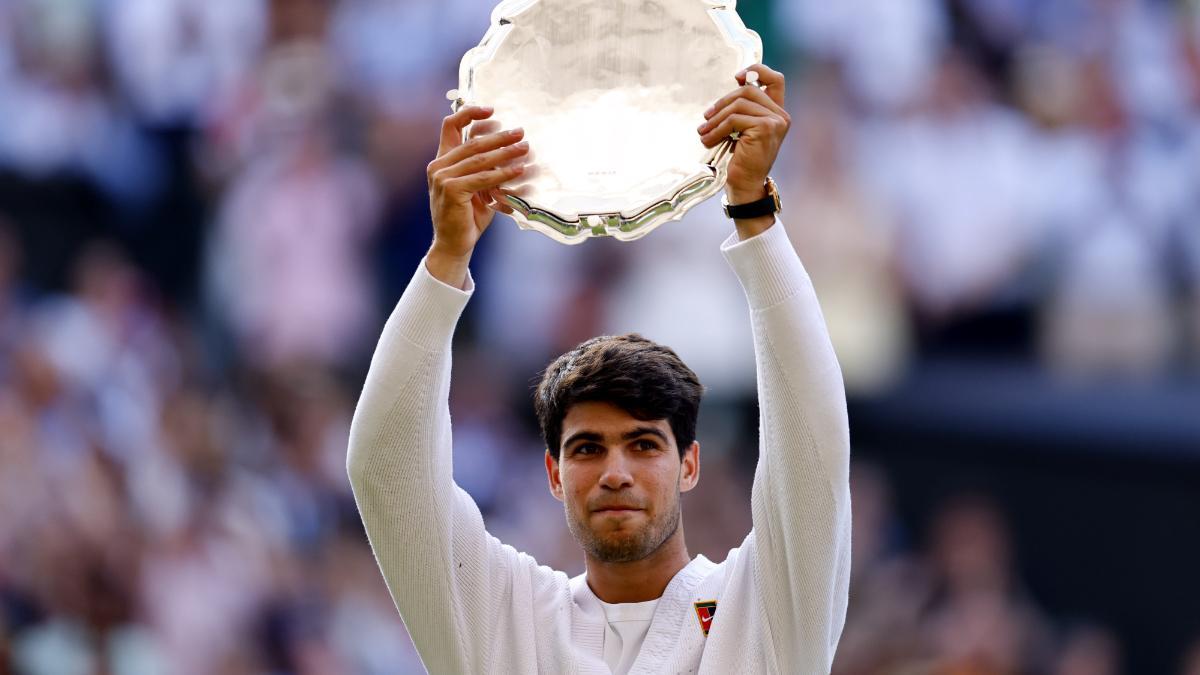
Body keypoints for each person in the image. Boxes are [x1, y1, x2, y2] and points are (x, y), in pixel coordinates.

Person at [347, 64, 851, 674]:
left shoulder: (767, 610)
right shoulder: (503, 618)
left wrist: (754, 210)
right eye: (588, 448)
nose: (616, 472)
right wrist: (447, 257)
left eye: (643, 444)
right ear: (554, 474)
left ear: (689, 463)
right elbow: (384, 466)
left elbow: (814, 447)